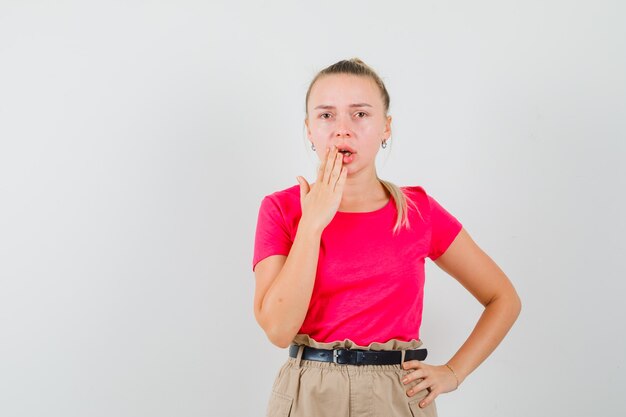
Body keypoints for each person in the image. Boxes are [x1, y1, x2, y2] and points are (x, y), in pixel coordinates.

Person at [252, 58, 521, 417]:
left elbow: (503, 298)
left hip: (395, 395)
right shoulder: (282, 209)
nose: (342, 130)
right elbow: (278, 330)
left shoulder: (418, 211)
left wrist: (453, 373)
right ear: (309, 129)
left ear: (386, 127)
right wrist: (313, 224)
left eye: (360, 114)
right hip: (308, 394)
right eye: (326, 115)